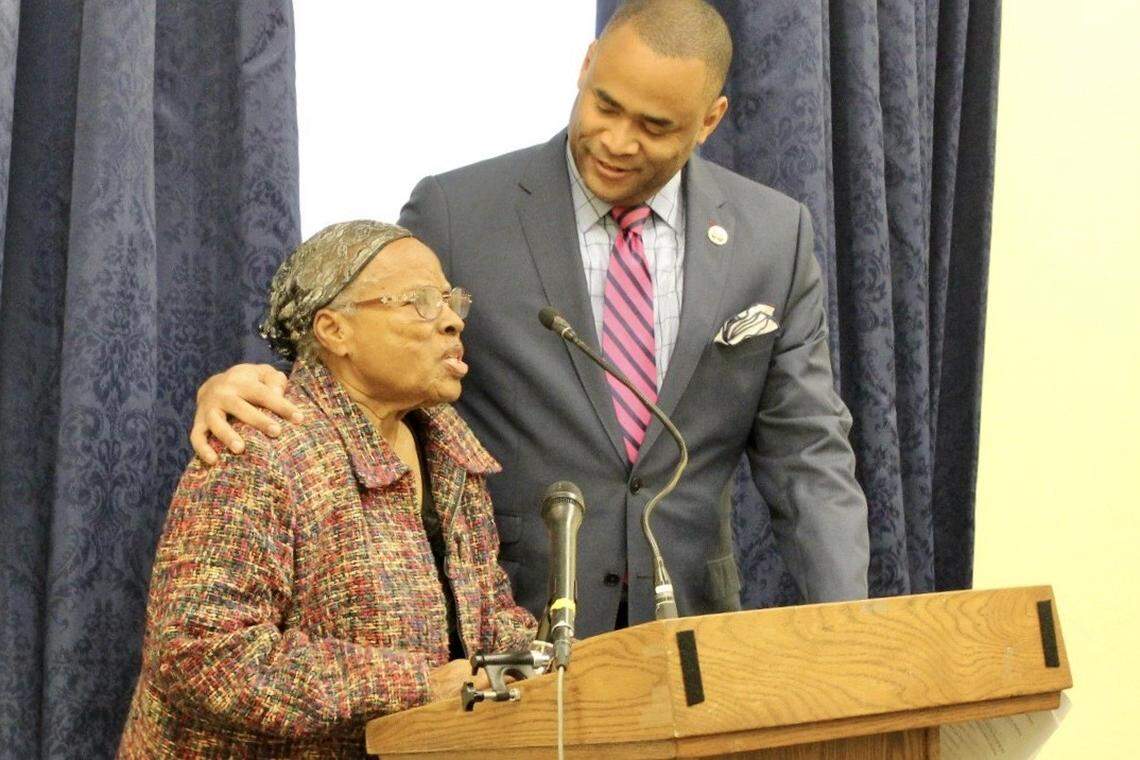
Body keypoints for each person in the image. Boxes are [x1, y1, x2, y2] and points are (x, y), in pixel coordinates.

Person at [191, 0, 870, 637]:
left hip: (686, 625)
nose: (617, 140)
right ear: (585, 66)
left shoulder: (773, 237)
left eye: (655, 126)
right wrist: (248, 388)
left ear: (710, 119)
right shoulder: (458, 212)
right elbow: (364, 360)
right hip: (506, 622)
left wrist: (852, 637)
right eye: (605, 105)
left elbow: (807, 452)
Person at [118, 221, 535, 758]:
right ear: (335, 330)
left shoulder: (451, 451)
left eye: (452, 301)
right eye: (422, 301)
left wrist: (531, 661)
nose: (453, 321)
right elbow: (201, 656)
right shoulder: (261, 449)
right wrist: (415, 685)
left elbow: (485, 614)